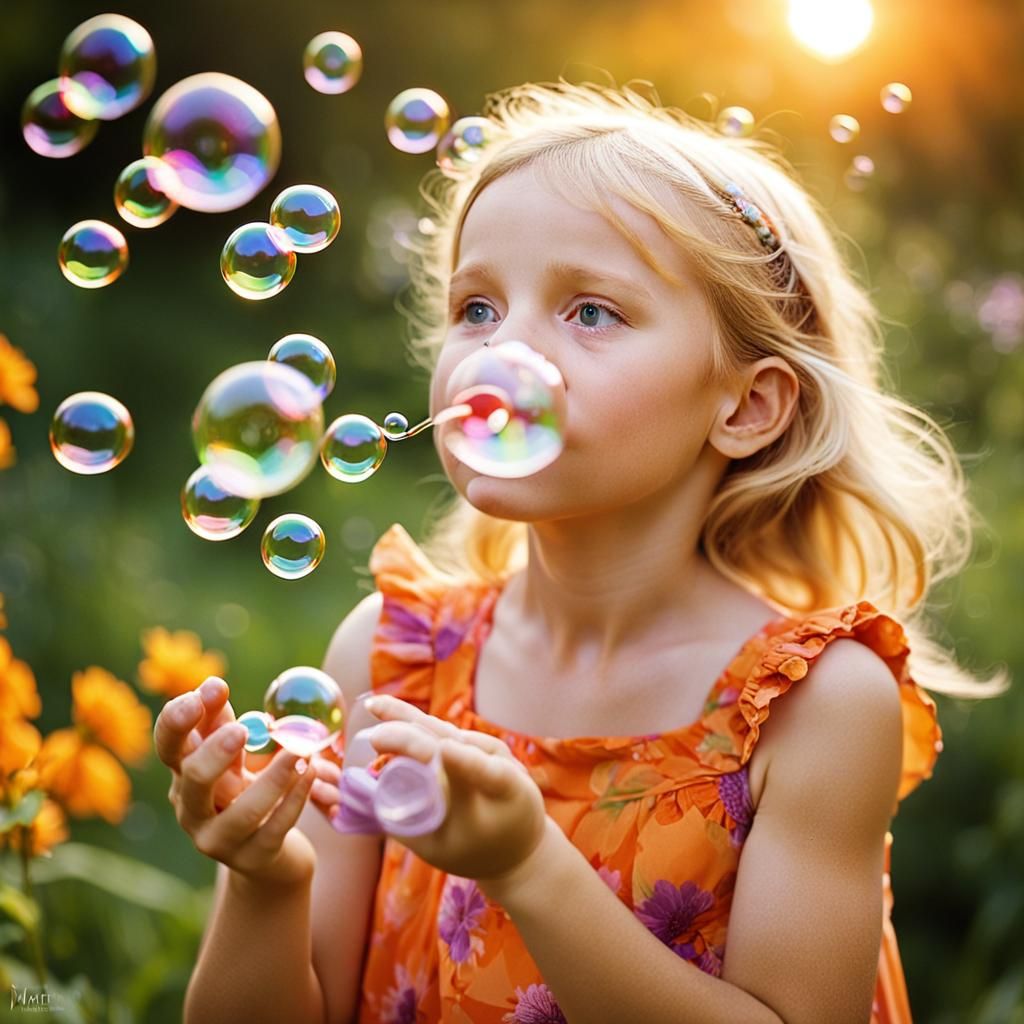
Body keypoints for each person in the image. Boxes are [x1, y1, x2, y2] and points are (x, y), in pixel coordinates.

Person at [156, 80, 1007, 1024]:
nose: (500, 352)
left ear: (747, 405)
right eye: (476, 308)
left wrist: (527, 867)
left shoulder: (816, 703)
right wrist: (266, 876)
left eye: (591, 311)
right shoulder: (391, 661)